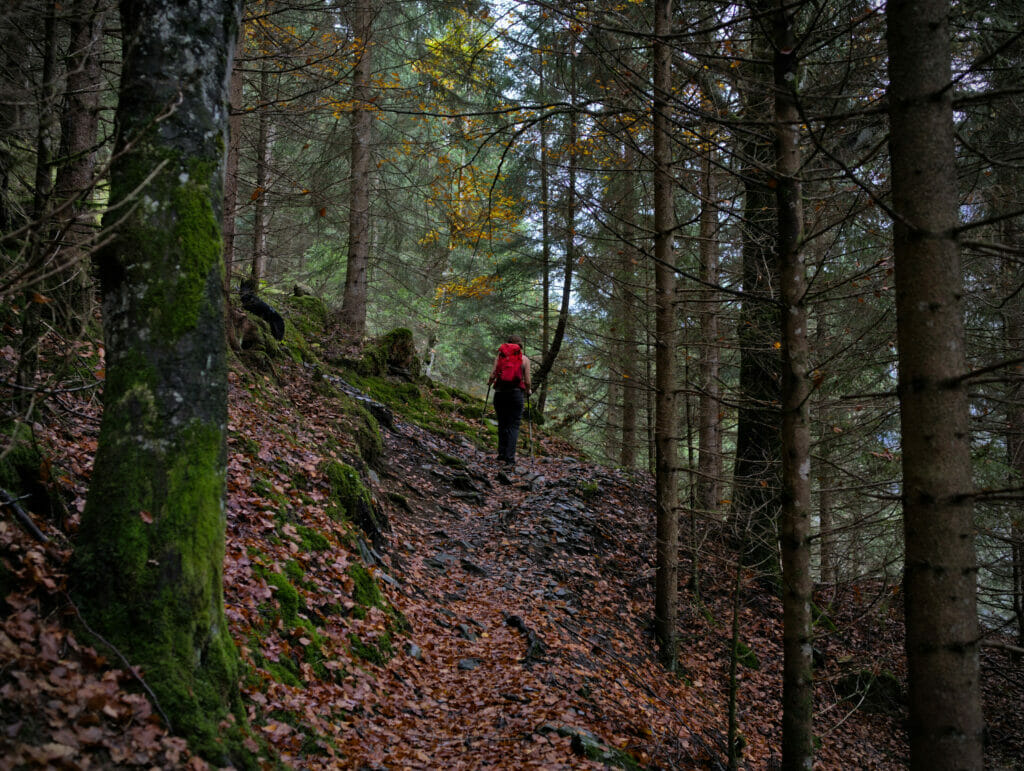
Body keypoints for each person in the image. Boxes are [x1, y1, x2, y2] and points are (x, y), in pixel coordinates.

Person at [488, 334, 532, 465]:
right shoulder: (524, 359)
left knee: (502, 424)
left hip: (500, 393)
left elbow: (493, 374)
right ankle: (510, 458)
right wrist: (528, 390)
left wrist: (489, 382)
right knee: (514, 426)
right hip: (516, 394)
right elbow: (528, 381)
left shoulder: (500, 356)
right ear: (520, 346)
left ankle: (501, 454)